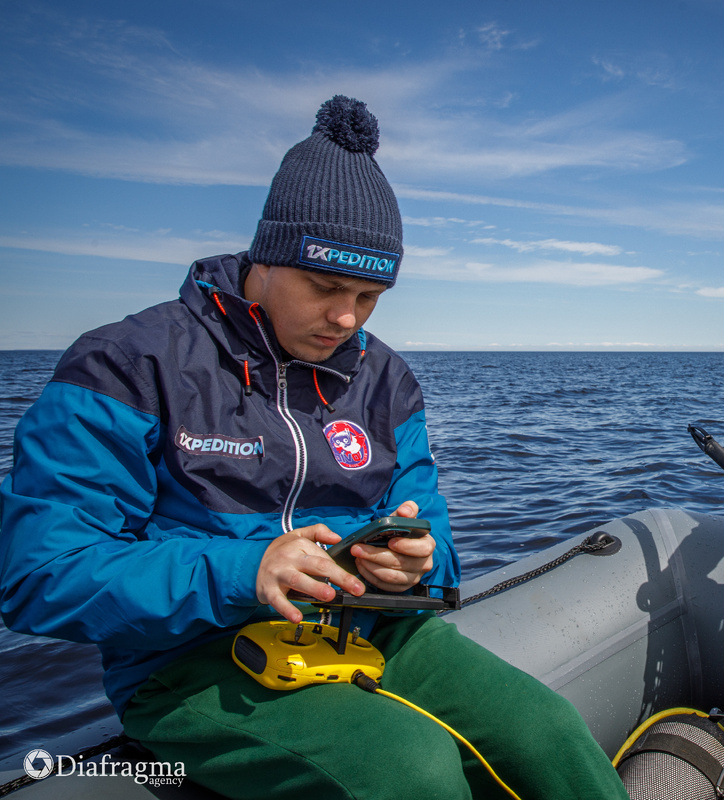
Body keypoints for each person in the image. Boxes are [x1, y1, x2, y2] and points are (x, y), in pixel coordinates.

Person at [0, 95, 629, 800]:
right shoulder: (124, 364)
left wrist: (416, 566)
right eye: (326, 287)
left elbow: (435, 538)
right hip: (191, 660)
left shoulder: (386, 378)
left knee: (549, 733)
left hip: (371, 632)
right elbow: (39, 573)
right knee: (405, 767)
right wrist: (246, 571)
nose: (345, 318)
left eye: (370, 296)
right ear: (265, 260)